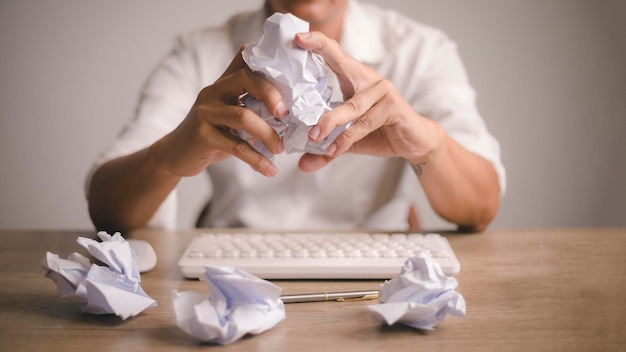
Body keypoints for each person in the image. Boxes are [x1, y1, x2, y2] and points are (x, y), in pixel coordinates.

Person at [86, 0, 506, 234]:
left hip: (376, 272)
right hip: (231, 266)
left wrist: (427, 143)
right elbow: (108, 208)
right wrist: (168, 156)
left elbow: (480, 207)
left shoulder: (421, 50)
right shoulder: (199, 53)